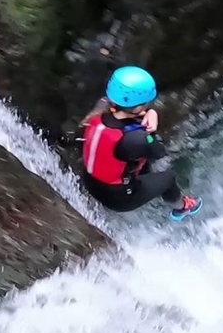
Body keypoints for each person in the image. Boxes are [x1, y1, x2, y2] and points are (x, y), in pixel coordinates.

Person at [80, 66, 203, 222]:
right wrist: (151, 128)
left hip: (90, 182)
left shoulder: (100, 108)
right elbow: (159, 152)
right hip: (118, 199)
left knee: (136, 162)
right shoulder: (136, 139)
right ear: (138, 107)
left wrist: (150, 112)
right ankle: (182, 208)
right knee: (168, 178)